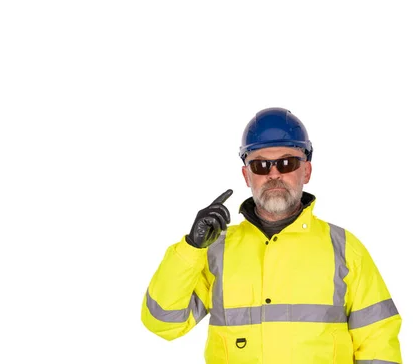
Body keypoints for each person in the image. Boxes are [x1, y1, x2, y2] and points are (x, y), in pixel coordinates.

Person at [141, 107, 402, 363]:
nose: (274, 174)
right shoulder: (215, 251)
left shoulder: (344, 249)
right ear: (247, 176)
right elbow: (163, 324)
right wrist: (191, 248)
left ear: (306, 171)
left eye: (287, 163)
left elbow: (378, 341)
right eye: (261, 165)